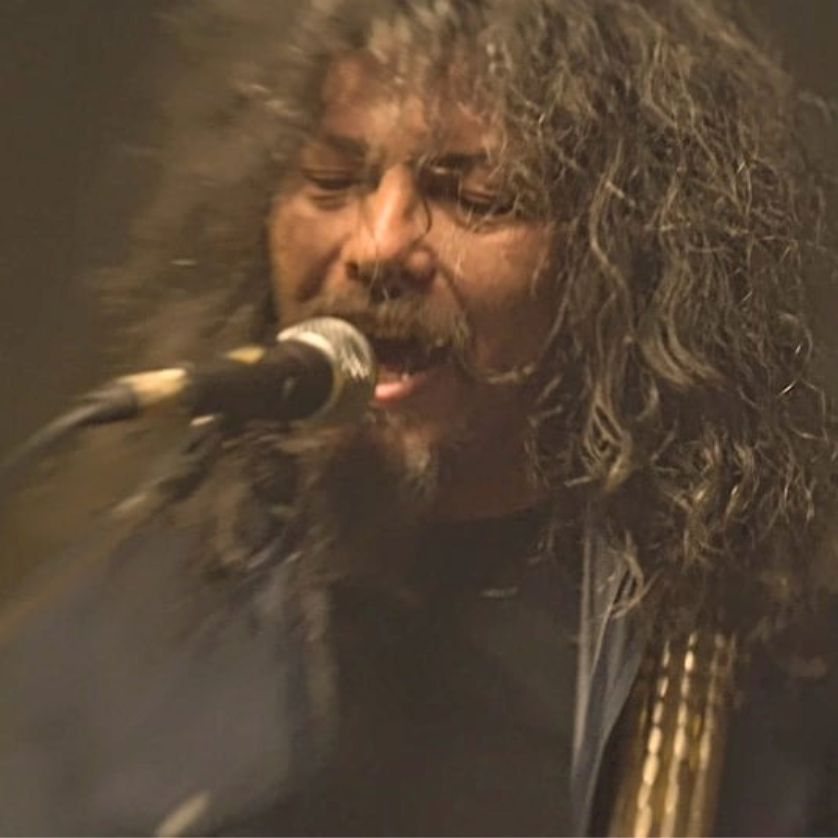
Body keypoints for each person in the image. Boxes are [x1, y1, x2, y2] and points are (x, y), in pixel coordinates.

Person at [1, 0, 837, 834]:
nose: (377, 245)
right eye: (332, 182)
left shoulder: (769, 640)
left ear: (619, 257)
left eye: (476, 196)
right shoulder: (139, 610)